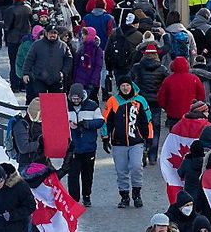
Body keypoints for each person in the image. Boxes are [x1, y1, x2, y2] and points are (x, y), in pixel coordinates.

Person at [101, 76, 153, 208]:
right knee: (121, 171)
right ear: (119, 87)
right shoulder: (113, 101)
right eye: (122, 85)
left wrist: (149, 137)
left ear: (131, 86)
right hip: (119, 143)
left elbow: (147, 120)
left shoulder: (140, 100)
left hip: (136, 141)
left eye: (127, 85)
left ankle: (137, 194)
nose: (125, 88)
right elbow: (105, 120)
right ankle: (124, 196)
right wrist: (105, 137)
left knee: (136, 167)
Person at [132, 42, 171, 165]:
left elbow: (130, 81)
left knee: (140, 126)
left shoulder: (137, 67)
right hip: (156, 102)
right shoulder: (162, 69)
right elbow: (167, 86)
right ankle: (153, 155)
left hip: (141, 102)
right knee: (155, 128)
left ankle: (143, 147)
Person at [66, 83, 103, 206]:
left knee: (87, 174)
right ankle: (73, 199)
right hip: (72, 148)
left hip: (88, 146)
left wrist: (85, 124)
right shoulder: (65, 106)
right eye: (73, 99)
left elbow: (100, 121)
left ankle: (86, 195)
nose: (75, 101)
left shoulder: (92, 106)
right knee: (72, 174)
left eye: (78, 99)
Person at [22, 24, 73, 101]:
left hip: (56, 79)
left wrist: (63, 72)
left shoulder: (63, 46)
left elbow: (69, 59)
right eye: (50, 33)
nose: (52, 35)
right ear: (46, 33)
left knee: (55, 103)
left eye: (54, 33)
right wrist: (25, 73)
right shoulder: (37, 44)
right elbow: (29, 59)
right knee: (40, 102)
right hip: (40, 79)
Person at [158, 55, 207, 130]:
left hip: (173, 114)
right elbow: (201, 96)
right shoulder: (194, 78)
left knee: (175, 136)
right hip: (191, 114)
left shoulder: (168, 80)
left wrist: (167, 108)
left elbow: (161, 98)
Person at [2, 0, 33, 92]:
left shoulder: (10, 10)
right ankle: (24, 84)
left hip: (13, 39)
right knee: (24, 61)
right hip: (25, 39)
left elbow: (7, 26)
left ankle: (15, 86)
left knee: (14, 62)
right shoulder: (28, 9)